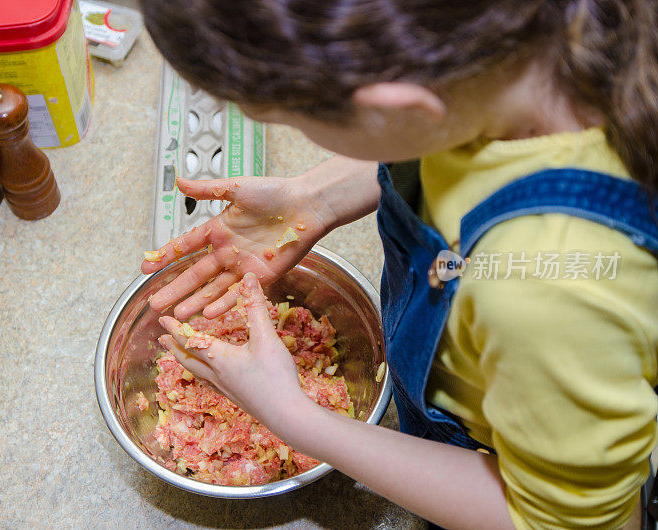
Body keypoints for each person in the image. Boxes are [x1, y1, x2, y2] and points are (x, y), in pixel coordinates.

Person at [138, 1, 658, 528]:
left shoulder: (545, 294)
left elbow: (574, 522)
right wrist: (317, 198)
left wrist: (296, 419)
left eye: (295, 122)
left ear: (401, 107)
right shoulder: (521, 47)